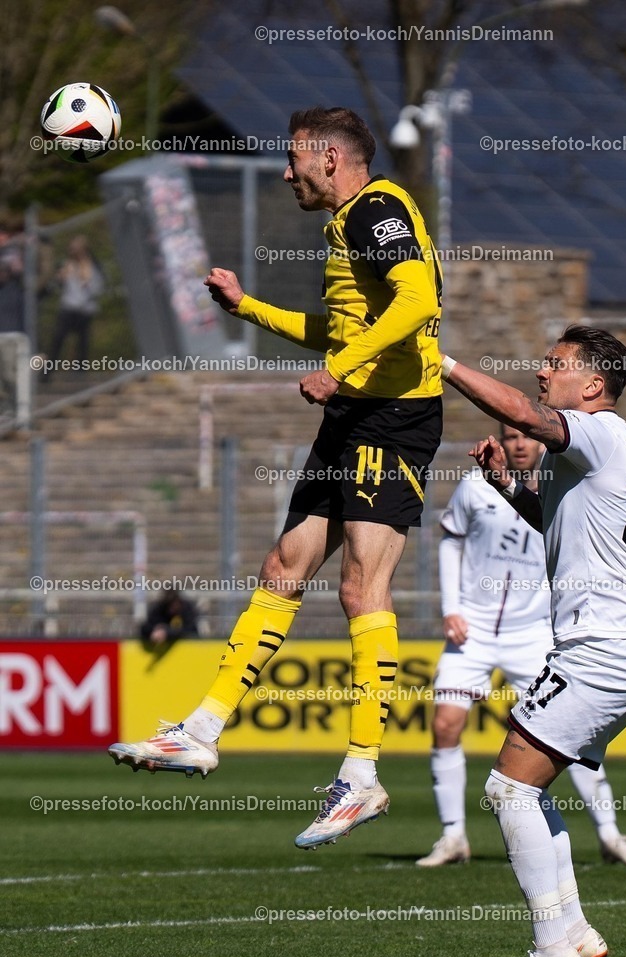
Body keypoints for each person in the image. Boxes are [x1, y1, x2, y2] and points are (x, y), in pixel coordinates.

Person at [109, 106, 444, 850]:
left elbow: (418, 302)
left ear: (331, 158)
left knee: (360, 588)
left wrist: (340, 370)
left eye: (294, 159)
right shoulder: (348, 222)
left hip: (393, 417)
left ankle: (361, 774)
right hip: (354, 413)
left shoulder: (378, 209)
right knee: (283, 568)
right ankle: (201, 730)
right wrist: (247, 309)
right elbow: (342, 330)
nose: (287, 172)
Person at [439, 324, 626, 957]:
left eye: (555, 363)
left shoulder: (596, 430)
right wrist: (508, 486)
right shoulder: (605, 447)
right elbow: (557, 523)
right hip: (615, 645)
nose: (542, 372)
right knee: (525, 790)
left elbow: (520, 412)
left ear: (593, 384)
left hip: (604, 647)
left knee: (508, 789)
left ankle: (550, 946)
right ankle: (572, 933)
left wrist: (440, 361)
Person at [417, 423, 626, 869]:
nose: (519, 443)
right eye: (510, 436)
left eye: (526, 436)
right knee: (445, 724)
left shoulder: (564, 484)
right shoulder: (475, 486)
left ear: (542, 442)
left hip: (534, 633)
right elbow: (451, 540)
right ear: (501, 442)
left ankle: (609, 834)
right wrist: (451, 608)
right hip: (474, 629)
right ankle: (452, 837)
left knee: (572, 733)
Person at [48, 235, 103, 367]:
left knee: (83, 342)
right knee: (58, 338)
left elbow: (98, 288)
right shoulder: (67, 265)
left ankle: (80, 371)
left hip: (85, 309)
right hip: (69, 307)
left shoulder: (91, 266)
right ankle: (48, 369)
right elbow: (55, 286)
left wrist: (86, 283)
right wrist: (59, 279)